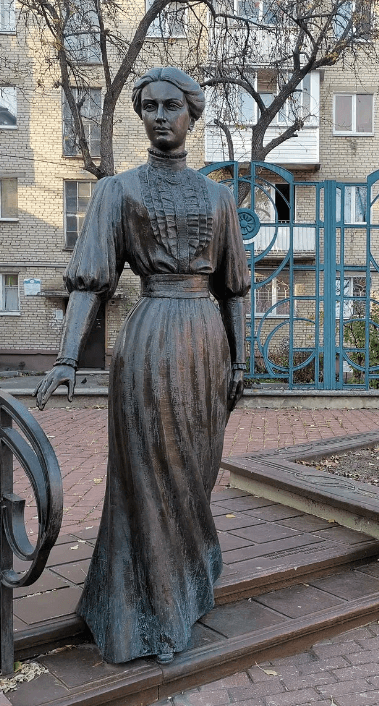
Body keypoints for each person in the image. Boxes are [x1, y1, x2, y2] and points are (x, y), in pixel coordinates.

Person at [34, 68, 250, 664]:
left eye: (171, 106)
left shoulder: (218, 196)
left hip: (207, 345)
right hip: (151, 338)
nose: (160, 117)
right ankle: (149, 611)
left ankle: (189, 581)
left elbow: (233, 289)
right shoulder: (116, 192)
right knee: (151, 473)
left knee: (196, 474)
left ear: (192, 114)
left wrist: (240, 363)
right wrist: (65, 358)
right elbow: (90, 283)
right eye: (149, 106)